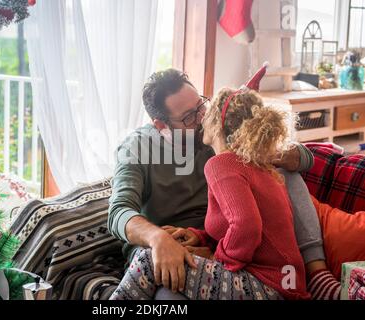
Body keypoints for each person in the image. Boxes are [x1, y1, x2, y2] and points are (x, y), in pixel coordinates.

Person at [108, 67, 340, 300]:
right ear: (161, 126)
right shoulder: (136, 149)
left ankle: (318, 273)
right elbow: (118, 212)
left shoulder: (216, 138)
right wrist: (158, 238)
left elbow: (304, 158)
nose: (201, 120)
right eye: (189, 118)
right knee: (168, 293)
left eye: (201, 106)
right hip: (174, 248)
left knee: (286, 175)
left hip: (227, 250)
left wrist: (266, 153)